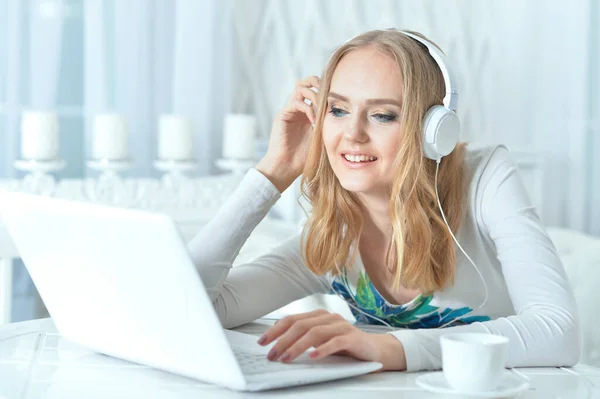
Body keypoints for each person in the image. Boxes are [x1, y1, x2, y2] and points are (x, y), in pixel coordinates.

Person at [188, 29, 580, 372]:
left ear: (433, 130)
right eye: (338, 110)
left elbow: (558, 331)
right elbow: (194, 305)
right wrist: (274, 172)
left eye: (382, 116)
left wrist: (388, 347)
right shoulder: (331, 239)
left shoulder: (485, 179)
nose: (352, 134)